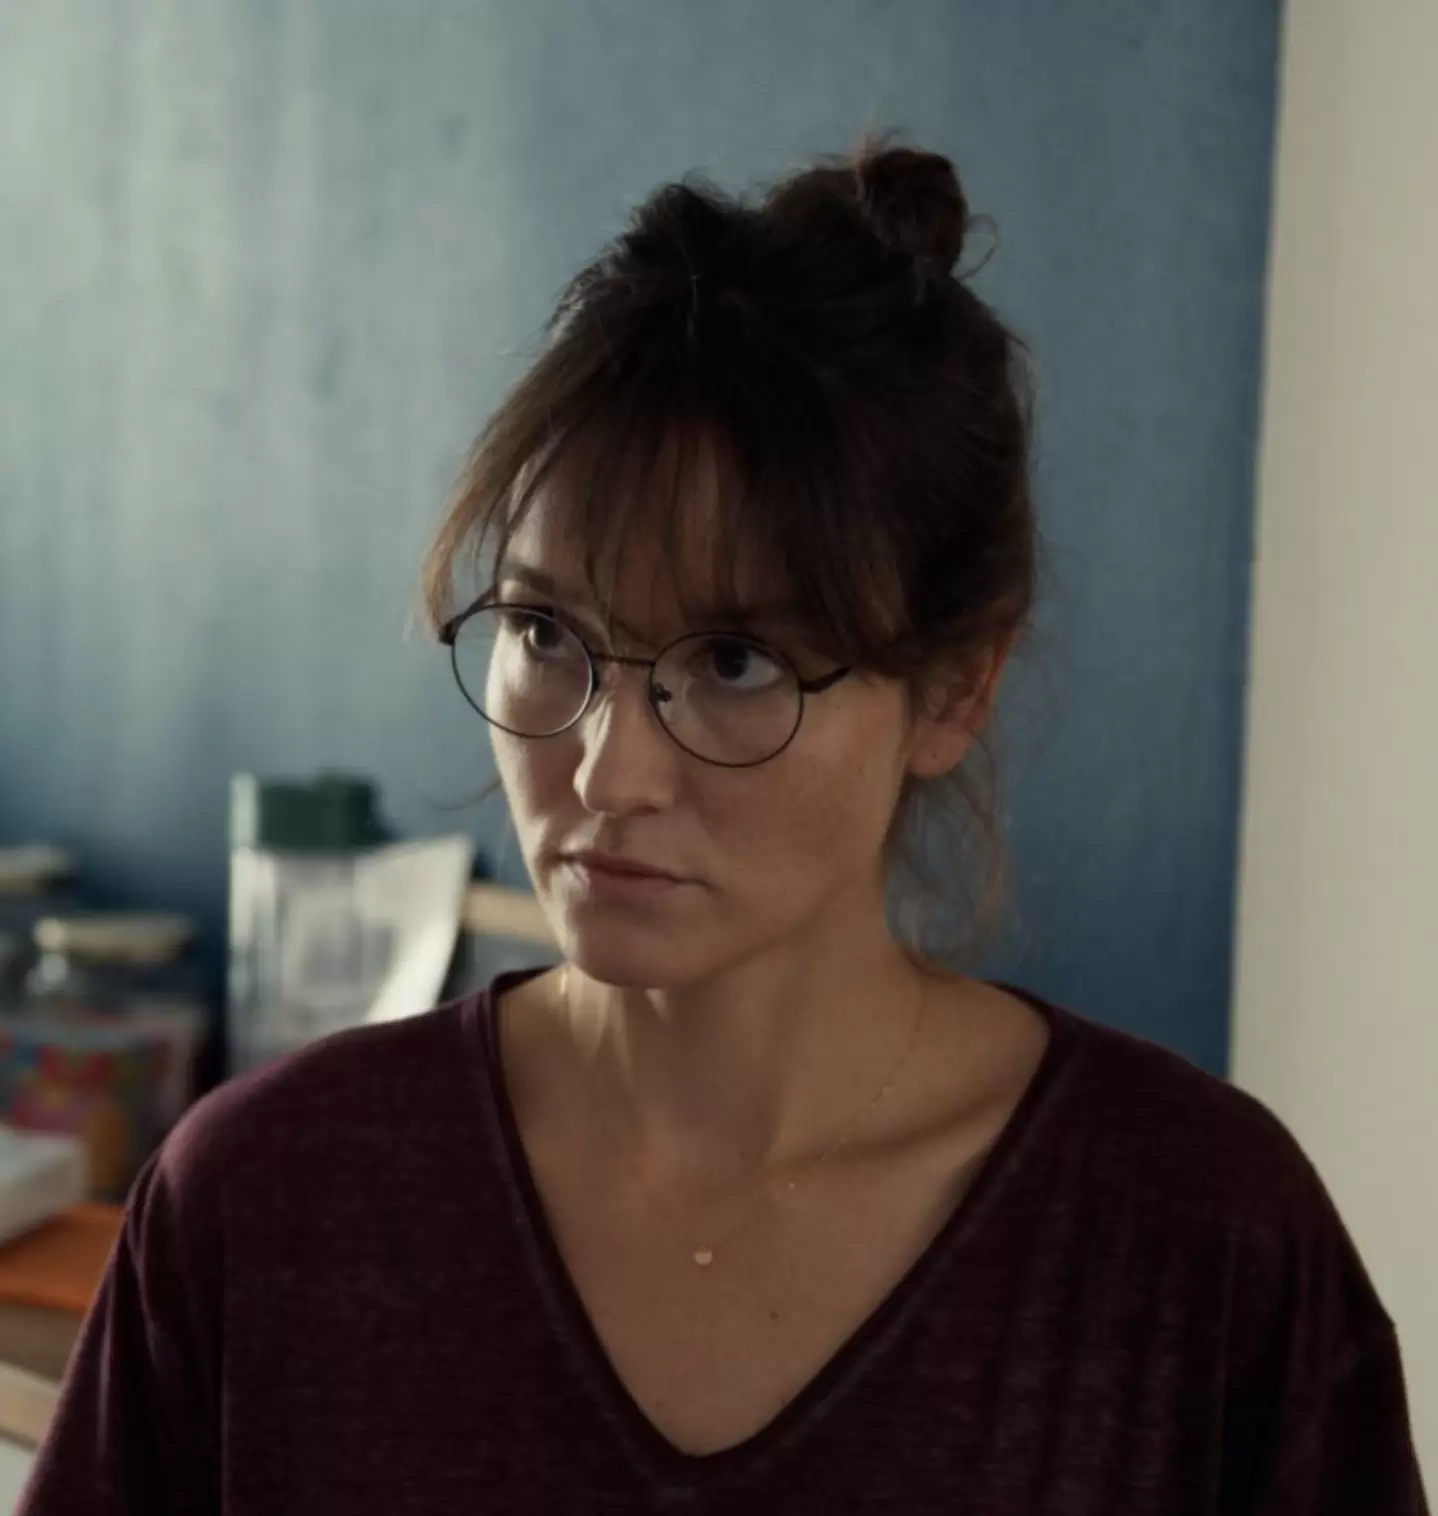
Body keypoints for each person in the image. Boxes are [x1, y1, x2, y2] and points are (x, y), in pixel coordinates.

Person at [20, 141, 1428, 1515]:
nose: (607, 769)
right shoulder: (263, 1202)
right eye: (545, 633)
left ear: (953, 688)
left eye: (735, 662)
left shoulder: (1197, 1244)